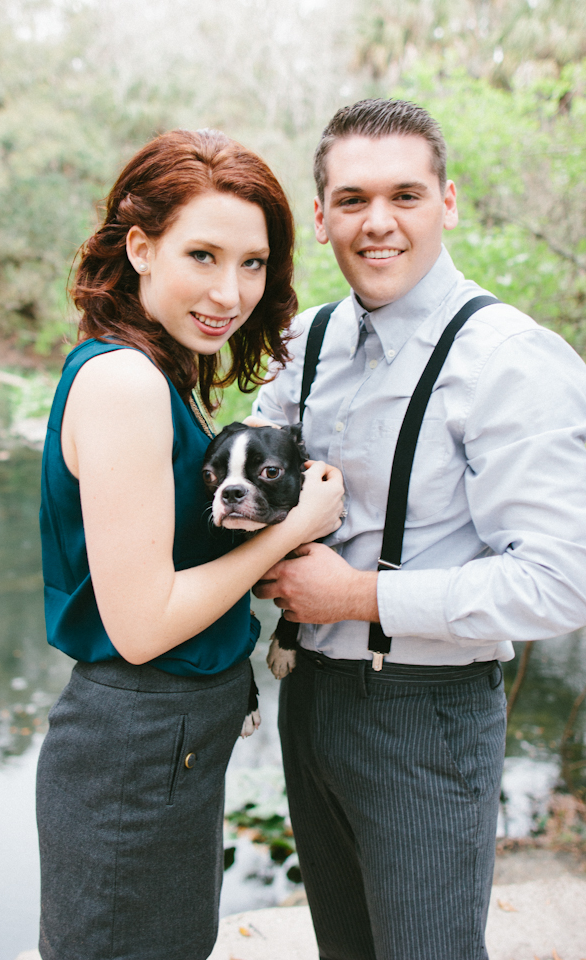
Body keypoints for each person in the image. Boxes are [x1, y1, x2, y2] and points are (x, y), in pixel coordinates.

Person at [252, 99, 586, 960]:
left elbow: (560, 583)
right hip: (310, 699)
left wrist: (360, 593)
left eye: (405, 194)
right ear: (320, 217)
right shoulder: (305, 345)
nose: (380, 223)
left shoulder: (511, 359)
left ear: (450, 200)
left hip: (427, 716)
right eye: (353, 199)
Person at [36, 128, 344, 960]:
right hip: (136, 741)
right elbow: (141, 625)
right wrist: (294, 528)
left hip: (164, 739)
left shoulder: (158, 373)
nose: (231, 290)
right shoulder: (125, 382)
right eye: (202, 255)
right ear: (139, 247)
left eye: (253, 263)